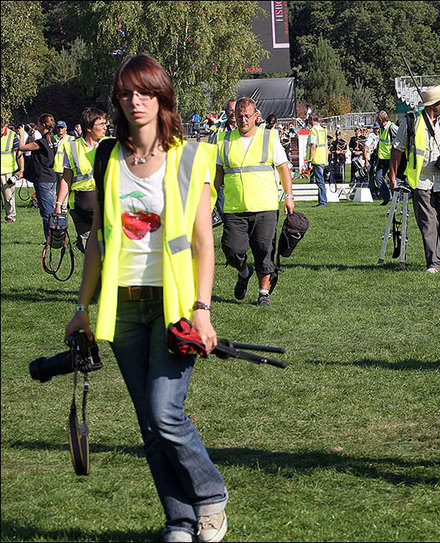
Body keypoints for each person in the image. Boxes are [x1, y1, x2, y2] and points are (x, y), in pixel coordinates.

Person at [63, 54, 228, 543]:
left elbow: (202, 240)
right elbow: (97, 238)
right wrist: (82, 306)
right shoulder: (107, 156)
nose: (136, 101)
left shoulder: (193, 155)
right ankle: (179, 519)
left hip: (174, 305)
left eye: (145, 92)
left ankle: (211, 494)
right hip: (123, 305)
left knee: (165, 411)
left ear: (162, 97)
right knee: (149, 425)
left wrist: (203, 308)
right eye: (127, 93)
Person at [214, 97, 295, 306]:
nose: (243, 120)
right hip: (234, 208)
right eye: (239, 116)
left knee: (264, 250)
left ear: (255, 116)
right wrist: (209, 199)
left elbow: (283, 167)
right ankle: (244, 272)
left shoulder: (269, 137)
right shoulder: (224, 140)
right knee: (231, 249)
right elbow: (217, 175)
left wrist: (289, 196)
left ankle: (263, 294)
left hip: (265, 206)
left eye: (247, 116)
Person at [389, 85, 440, 273]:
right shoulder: (411, 121)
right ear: (432, 105)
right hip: (421, 180)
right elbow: (397, 150)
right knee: (427, 223)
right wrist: (393, 177)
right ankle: (433, 263)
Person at [55, 108, 108, 253]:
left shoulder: (110, 145)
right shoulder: (71, 147)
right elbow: (66, 179)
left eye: (105, 123)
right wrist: (59, 204)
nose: (105, 127)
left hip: (106, 207)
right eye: (101, 124)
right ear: (89, 128)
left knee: (108, 250)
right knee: (89, 250)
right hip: (81, 209)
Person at [18, 114, 60, 242]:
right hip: (50, 177)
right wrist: (31, 135)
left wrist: (21, 135)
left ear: (42, 125)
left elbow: (21, 148)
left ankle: (51, 239)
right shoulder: (52, 140)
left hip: (43, 179)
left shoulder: (41, 143)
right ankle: (53, 237)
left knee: (47, 213)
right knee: (49, 210)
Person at [208, 99, 237, 220]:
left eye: (236, 110)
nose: (233, 113)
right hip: (221, 175)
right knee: (224, 212)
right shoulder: (218, 129)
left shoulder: (245, 128)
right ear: (226, 112)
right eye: (230, 110)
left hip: (238, 175)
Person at [1, 118, 24, 223]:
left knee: (8, 196)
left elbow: (19, 154)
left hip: (7, 171)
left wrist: (21, 170)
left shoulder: (12, 135)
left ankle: (10, 216)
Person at [375, 110, 397, 205]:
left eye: (377, 120)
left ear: (380, 120)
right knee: (378, 178)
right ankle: (387, 198)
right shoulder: (381, 129)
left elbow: (401, 139)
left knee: (394, 180)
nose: (376, 122)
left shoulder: (392, 128)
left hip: (392, 159)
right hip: (382, 159)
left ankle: (397, 199)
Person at [306, 113, 328, 206]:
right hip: (322, 158)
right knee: (321, 181)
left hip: (316, 158)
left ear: (311, 119)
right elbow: (326, 146)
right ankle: (321, 201)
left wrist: (310, 160)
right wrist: (326, 159)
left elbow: (313, 146)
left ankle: (323, 201)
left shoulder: (313, 130)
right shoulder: (323, 130)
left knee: (320, 181)